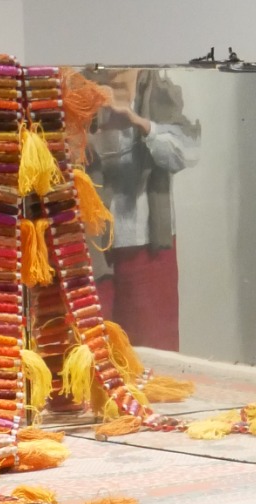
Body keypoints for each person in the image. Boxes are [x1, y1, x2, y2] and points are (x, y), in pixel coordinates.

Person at [86, 68, 200, 352]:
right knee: (91, 349)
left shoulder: (159, 85)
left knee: (153, 346)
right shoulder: (73, 89)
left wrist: (141, 124)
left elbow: (188, 152)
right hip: (87, 246)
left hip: (146, 244)